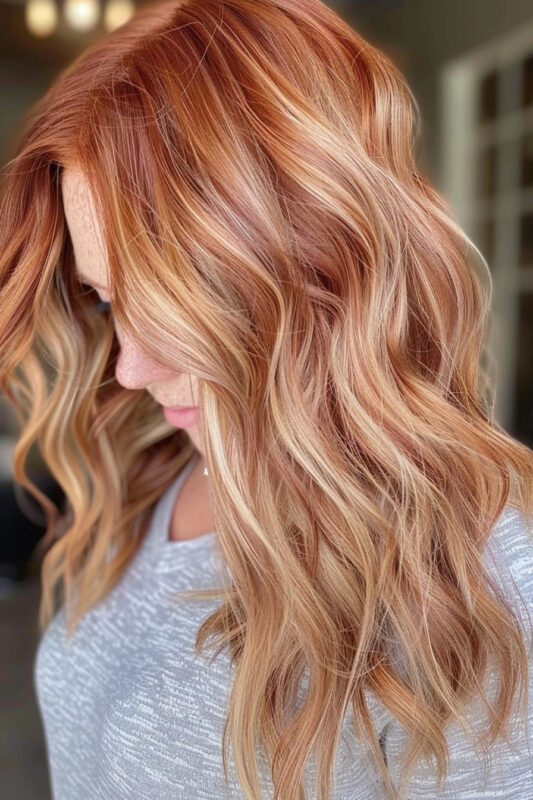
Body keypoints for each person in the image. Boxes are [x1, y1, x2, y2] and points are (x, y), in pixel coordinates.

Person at [0, 0, 532, 798]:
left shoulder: (474, 579)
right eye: (107, 302)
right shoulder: (154, 468)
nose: (129, 370)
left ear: (319, 269)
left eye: (171, 301)